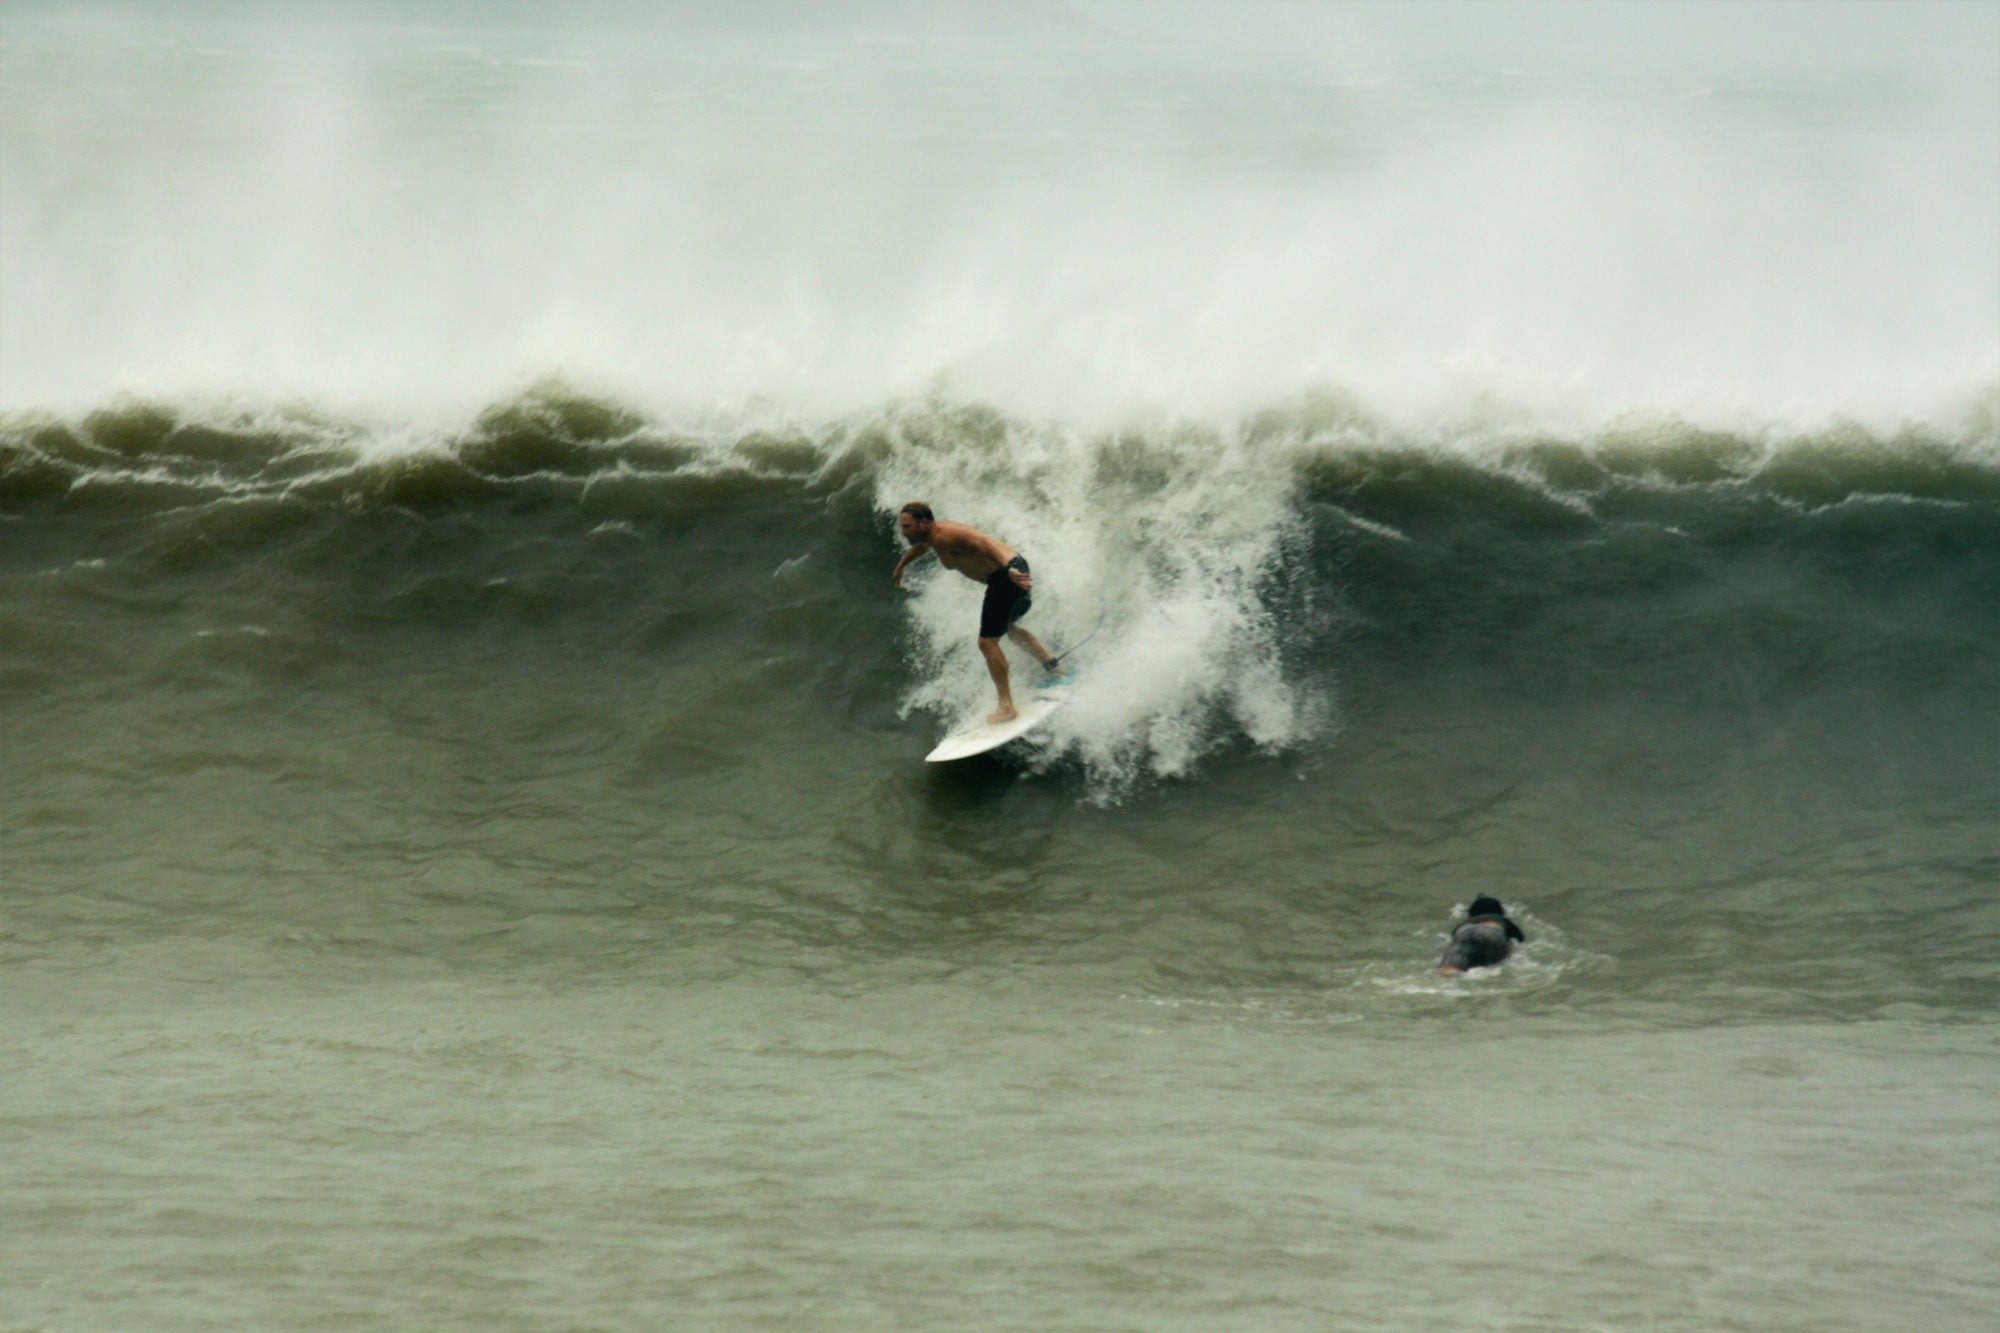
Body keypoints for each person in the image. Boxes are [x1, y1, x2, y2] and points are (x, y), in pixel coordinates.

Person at [892, 501, 1063, 724]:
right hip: (1011, 570)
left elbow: (981, 541)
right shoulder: (933, 537)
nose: (903, 532)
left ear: (923, 523)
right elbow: (923, 546)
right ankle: (1053, 666)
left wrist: (1006, 570)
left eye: (906, 527)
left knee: (987, 643)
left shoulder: (946, 535)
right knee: (1009, 629)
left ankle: (1006, 707)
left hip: (1006, 575)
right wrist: (902, 565)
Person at [1438, 895, 1527, 976]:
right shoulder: (1502, 920)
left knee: (1449, 971)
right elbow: (1520, 939)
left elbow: (1454, 938)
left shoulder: (1464, 923)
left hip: (1466, 933)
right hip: (1493, 934)